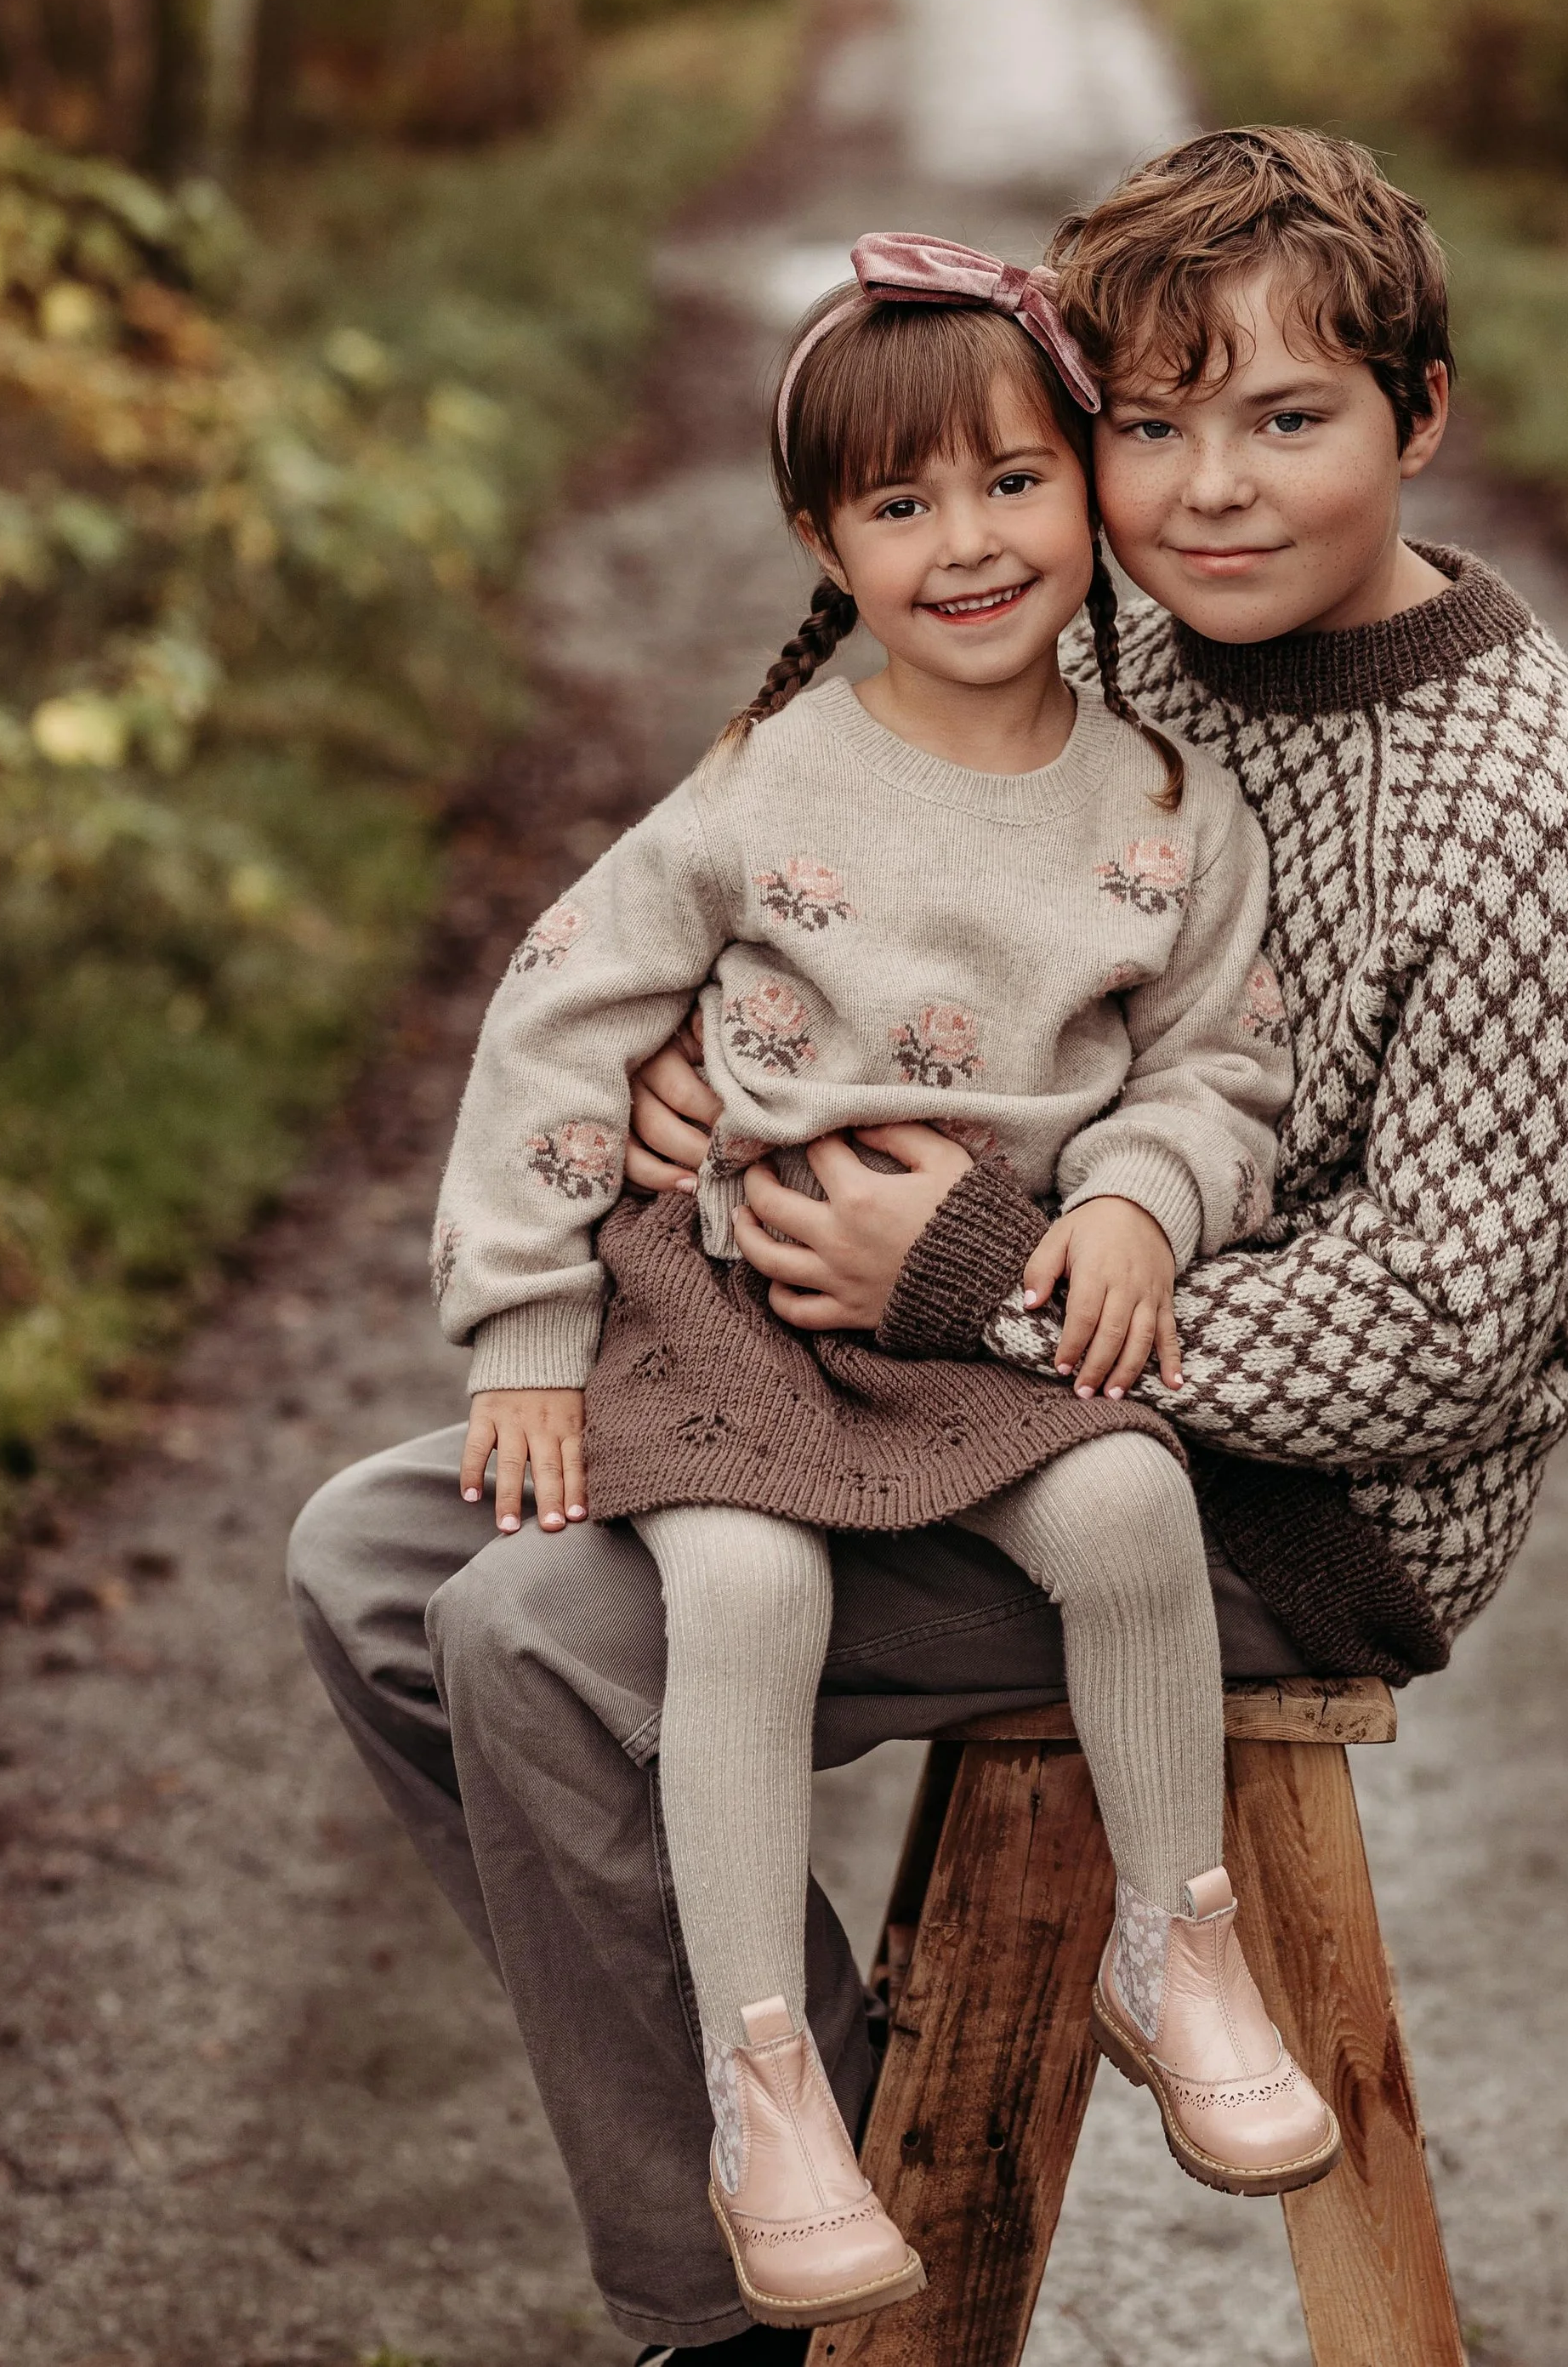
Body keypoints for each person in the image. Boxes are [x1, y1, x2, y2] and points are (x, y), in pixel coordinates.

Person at [289, 126, 1568, 2365]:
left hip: (1282, 1504)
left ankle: (742, 2308)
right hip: (930, 1377)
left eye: (1287, 420)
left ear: (1420, 414)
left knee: (535, 1628)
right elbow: (851, 878)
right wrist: (708, 1071)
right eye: (1150, 427)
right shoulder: (1126, 635)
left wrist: (983, 1274)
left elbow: (1441, 1327)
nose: (1209, 492)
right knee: (375, 1554)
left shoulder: (1523, 802)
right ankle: (828, 2131)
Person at [427, 234, 1336, 2332]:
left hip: (968, 1312)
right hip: (736, 1296)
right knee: (747, 1588)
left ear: (1082, 488)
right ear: (823, 542)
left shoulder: (1165, 806)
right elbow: (559, 1015)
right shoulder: (767, 784)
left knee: (1130, 1503)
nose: (969, 542)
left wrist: (1138, 1204)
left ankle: (1174, 1940)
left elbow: (1218, 1067)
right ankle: (767, 2091)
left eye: (1013, 480)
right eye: (900, 504)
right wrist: (529, 1332)